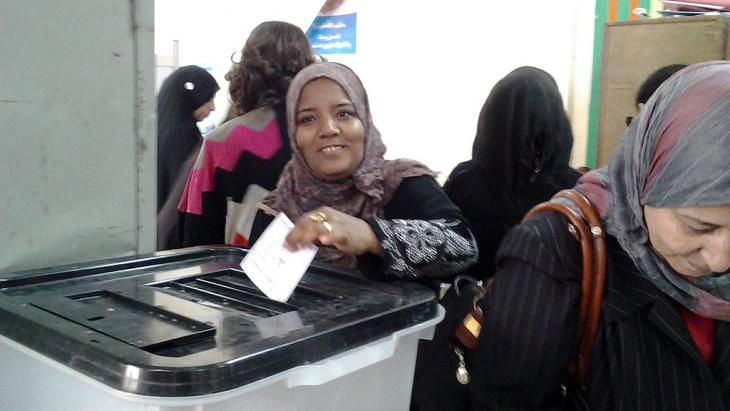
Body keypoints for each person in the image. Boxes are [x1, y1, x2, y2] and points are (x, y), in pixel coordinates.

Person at [468, 61, 730, 409]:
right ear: (645, 175)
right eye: (698, 226)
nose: (721, 259)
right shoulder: (557, 252)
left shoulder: (463, 179)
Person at [249, 62, 477, 282]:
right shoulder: (276, 209)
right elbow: (257, 299)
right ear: (293, 133)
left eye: (344, 114)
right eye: (308, 119)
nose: (328, 129)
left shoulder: (400, 183)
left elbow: (465, 247)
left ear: (364, 121)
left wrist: (373, 237)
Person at [166, 21, 315, 249]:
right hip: (326, 273)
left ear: (246, 70)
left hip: (240, 275)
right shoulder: (324, 134)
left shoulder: (222, 140)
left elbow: (197, 228)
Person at [443, 66, 581, 280]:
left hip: (473, 309)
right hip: (551, 310)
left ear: (490, 118)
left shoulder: (463, 181)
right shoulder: (575, 193)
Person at [156, 65, 219, 213]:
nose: (212, 107)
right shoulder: (181, 136)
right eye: (208, 98)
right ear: (190, 97)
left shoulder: (161, 128)